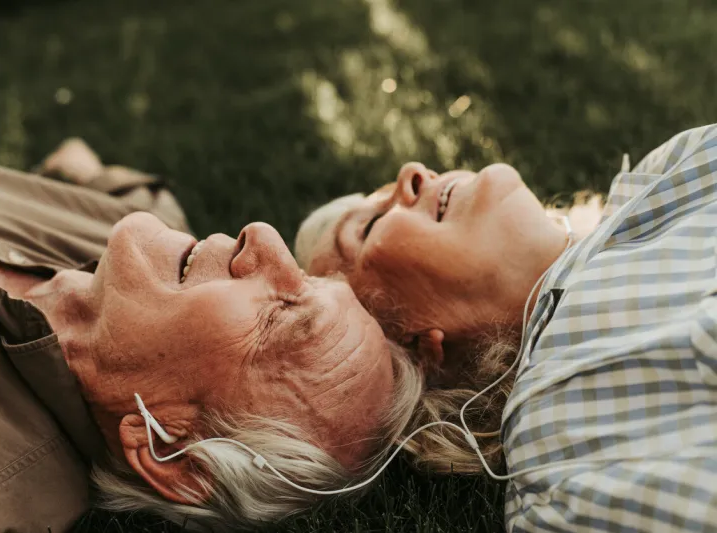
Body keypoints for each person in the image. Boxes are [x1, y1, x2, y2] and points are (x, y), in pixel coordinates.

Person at [0, 140, 421, 533]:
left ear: (177, 457)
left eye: (278, 319)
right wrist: (83, 171)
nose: (263, 236)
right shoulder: (117, 233)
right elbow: (131, 191)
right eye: (308, 279)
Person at [296, 125, 717, 531]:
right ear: (417, 346)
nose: (413, 171)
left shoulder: (663, 172)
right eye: (368, 226)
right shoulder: (562, 465)